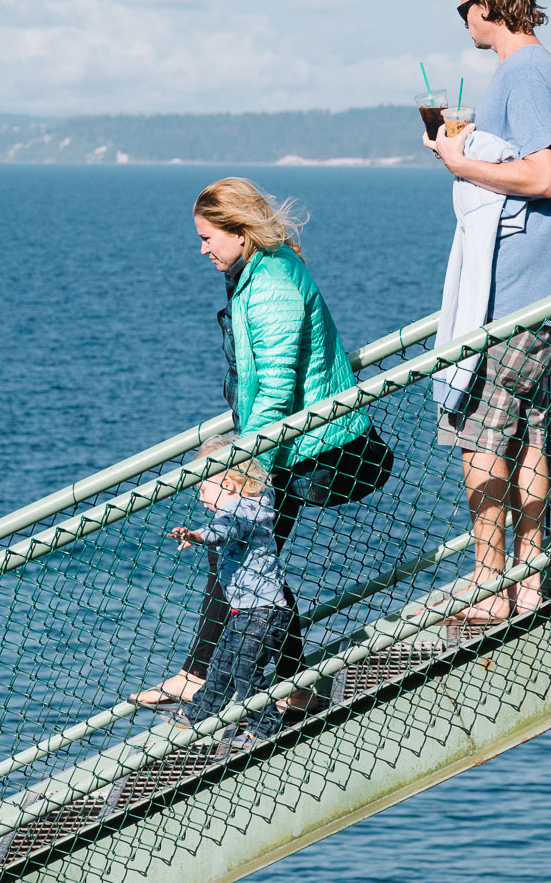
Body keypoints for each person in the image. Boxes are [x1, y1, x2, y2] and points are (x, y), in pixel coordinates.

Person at [131, 178, 391, 710]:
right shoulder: (259, 271)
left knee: (247, 556)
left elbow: (275, 387)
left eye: (208, 237)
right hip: (289, 443)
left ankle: (208, 677)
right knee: (253, 561)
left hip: (305, 448)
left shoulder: (270, 284)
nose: (203, 249)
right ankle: (282, 686)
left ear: (240, 230)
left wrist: (249, 465)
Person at [426, 0, 551, 622]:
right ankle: (533, 577)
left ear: (487, 2)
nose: (463, 21)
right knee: (531, 436)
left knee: (480, 433)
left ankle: (493, 584)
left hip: (510, 294)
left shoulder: (526, 73)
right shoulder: (539, 71)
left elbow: (544, 176)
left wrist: (460, 163)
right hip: (539, 293)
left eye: (464, 8)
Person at [166, 437, 290, 745]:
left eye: (203, 489)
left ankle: (266, 728)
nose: (200, 497)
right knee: (222, 660)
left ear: (229, 485)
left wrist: (197, 535)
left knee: (245, 670)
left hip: (262, 612)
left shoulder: (242, 509)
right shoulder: (253, 504)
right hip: (246, 610)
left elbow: (225, 528)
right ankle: (200, 713)